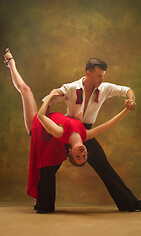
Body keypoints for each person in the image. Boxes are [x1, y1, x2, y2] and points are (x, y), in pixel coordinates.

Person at [4, 48, 131, 213]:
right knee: (27, 91)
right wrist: (127, 110)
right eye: (84, 155)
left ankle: (10, 63)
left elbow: (41, 117)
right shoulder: (85, 135)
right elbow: (109, 124)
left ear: (69, 151)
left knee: (25, 90)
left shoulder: (60, 134)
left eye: (78, 156)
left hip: (39, 127)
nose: (83, 152)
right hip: (50, 119)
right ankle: (44, 201)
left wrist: (49, 96)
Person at [43, 57, 141, 212]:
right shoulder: (71, 87)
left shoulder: (105, 88)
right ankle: (44, 206)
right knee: (48, 165)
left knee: (105, 168)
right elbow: (48, 101)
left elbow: (127, 90)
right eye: (99, 75)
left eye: (103, 75)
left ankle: (132, 204)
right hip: (67, 131)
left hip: (86, 132)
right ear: (88, 74)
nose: (102, 79)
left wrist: (131, 100)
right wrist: (46, 126)